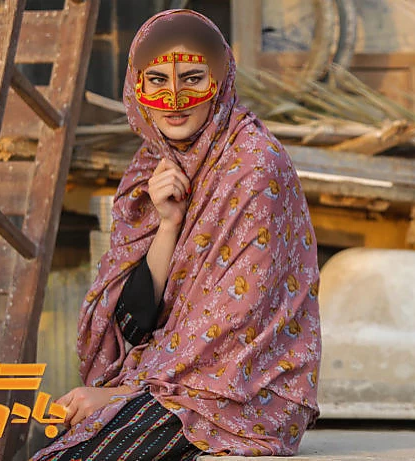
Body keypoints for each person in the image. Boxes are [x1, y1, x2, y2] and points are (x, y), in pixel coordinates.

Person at [31, 9, 322, 460]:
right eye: (158, 82)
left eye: (192, 79)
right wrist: (168, 223)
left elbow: (233, 327)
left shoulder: (253, 167)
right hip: (167, 377)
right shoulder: (153, 167)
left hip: (244, 391)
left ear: (220, 83)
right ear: (138, 90)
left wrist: (123, 397)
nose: (175, 97)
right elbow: (131, 323)